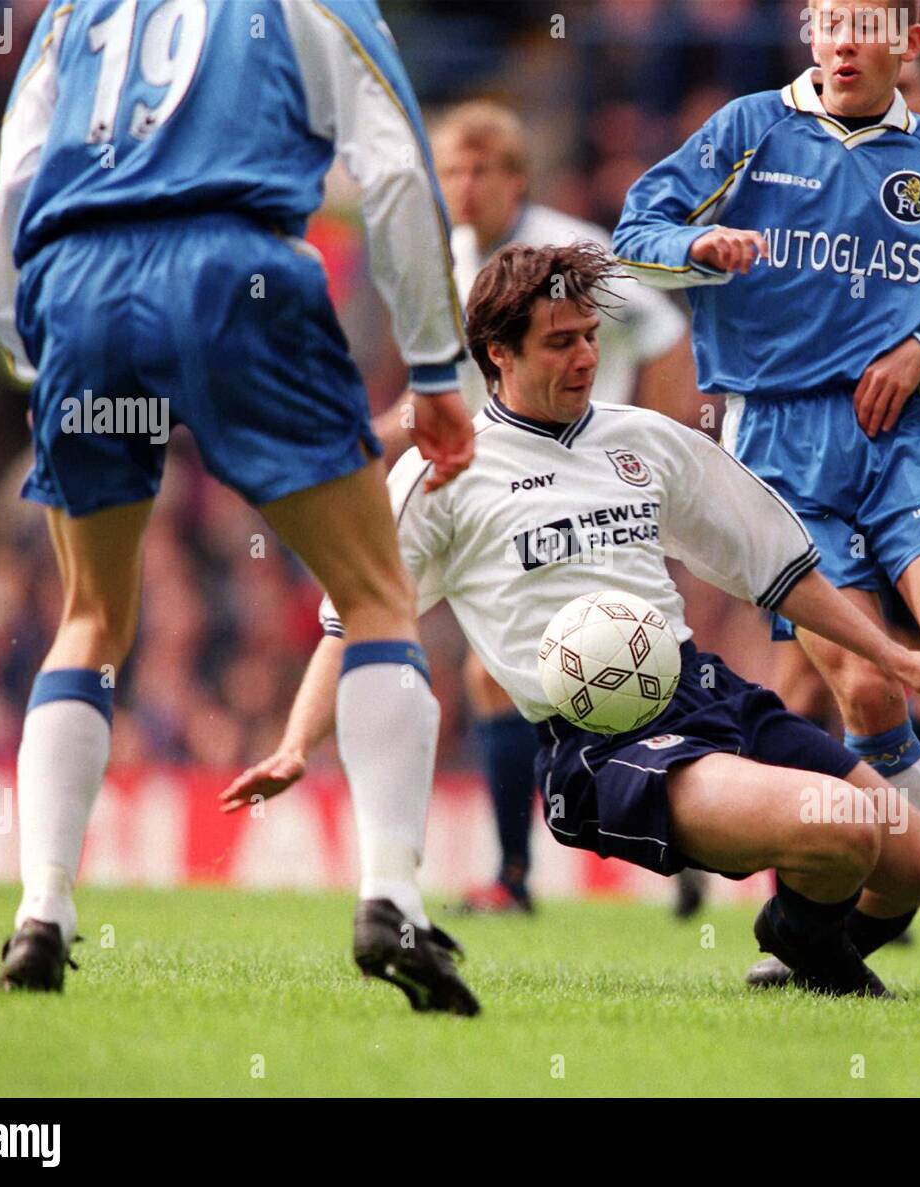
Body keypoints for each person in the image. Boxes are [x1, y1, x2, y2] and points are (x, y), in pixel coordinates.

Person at [222, 242, 920, 998]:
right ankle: (803, 938)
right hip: (603, 743)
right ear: (498, 353)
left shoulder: (646, 442)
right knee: (840, 830)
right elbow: (354, 621)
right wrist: (296, 743)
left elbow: (781, 570)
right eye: (560, 343)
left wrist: (899, 660)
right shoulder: (443, 473)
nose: (586, 358)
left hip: (706, 692)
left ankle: (802, 939)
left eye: (592, 337)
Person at [0, 0, 478, 1015]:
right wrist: (435, 365)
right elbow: (392, 172)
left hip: (78, 284)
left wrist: (25, 345)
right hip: (232, 270)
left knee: (89, 616)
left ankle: (43, 908)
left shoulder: (76, 9)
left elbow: (14, 180)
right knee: (376, 591)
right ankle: (390, 895)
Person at [612, 0, 920, 996]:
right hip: (777, 450)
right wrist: (696, 251)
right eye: (825, 21)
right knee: (865, 692)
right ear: (807, 33)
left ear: (906, 43)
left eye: (862, 24)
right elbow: (632, 234)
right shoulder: (746, 131)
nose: (838, 40)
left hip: (899, 438)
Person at [376, 100, 700, 916]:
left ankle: (544, 866)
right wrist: (370, 432)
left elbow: (665, 334)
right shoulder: (451, 262)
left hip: (592, 487)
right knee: (507, 673)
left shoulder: (572, 257)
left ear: (517, 178)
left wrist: (650, 456)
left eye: (483, 169)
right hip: (503, 488)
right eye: (451, 169)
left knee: (540, 669)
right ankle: (555, 863)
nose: (465, 185)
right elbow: (449, 389)